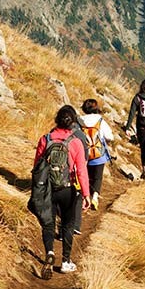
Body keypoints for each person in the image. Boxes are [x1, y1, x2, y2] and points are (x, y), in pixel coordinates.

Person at [33, 105, 91, 279]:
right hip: (68, 189)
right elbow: (81, 170)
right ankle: (66, 261)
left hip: (48, 188)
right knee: (67, 224)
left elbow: (37, 167)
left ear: (56, 120)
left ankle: (50, 252)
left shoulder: (45, 139)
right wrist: (86, 194)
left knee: (48, 223)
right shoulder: (75, 143)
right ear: (72, 123)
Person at [80, 98, 114, 211]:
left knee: (86, 176)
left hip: (85, 154)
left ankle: (84, 198)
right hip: (98, 154)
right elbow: (110, 137)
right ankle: (94, 197)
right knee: (97, 177)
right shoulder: (100, 120)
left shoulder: (80, 120)